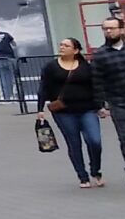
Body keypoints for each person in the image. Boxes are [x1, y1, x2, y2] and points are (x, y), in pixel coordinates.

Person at [36, 38, 110, 188]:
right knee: (74, 143)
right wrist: (40, 109)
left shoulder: (86, 67)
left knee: (95, 141)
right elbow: (43, 87)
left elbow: (96, 87)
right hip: (64, 112)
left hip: (87, 109)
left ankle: (95, 170)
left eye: (66, 45)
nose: (62, 47)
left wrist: (100, 106)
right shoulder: (51, 67)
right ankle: (83, 176)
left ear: (75, 50)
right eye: (61, 45)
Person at [91, 17, 125, 179]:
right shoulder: (100, 55)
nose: (108, 31)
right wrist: (99, 105)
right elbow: (97, 81)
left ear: (122, 30)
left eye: (112, 28)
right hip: (118, 103)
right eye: (105, 29)